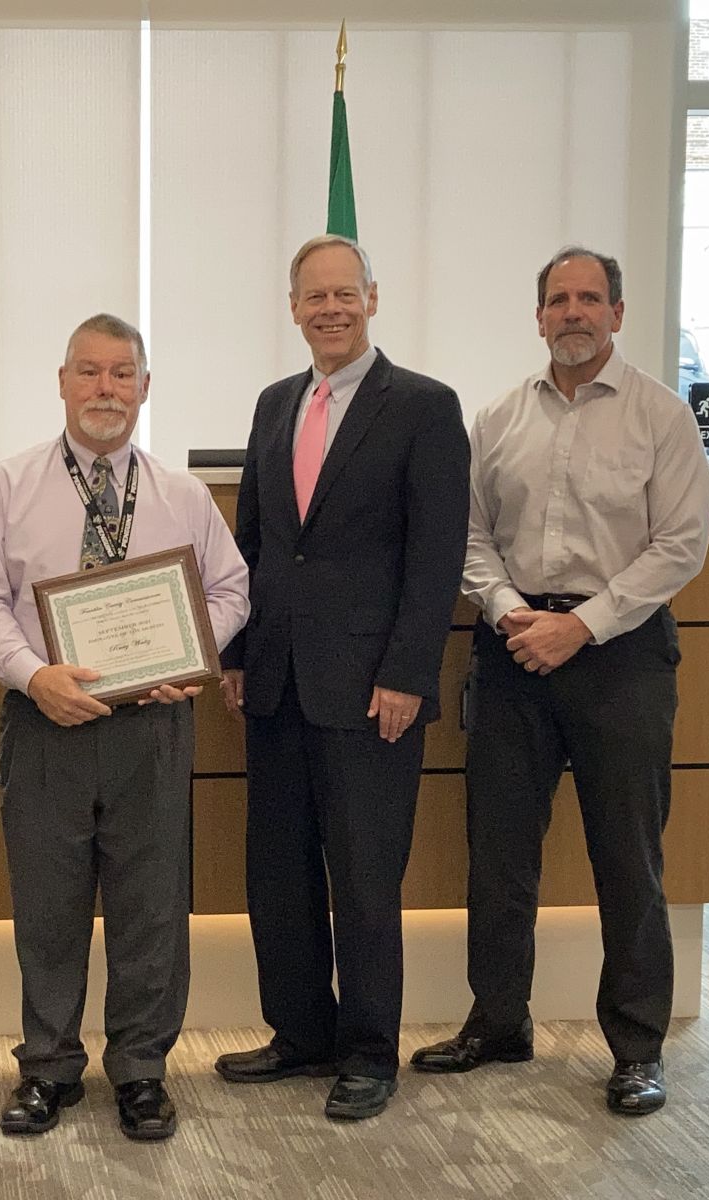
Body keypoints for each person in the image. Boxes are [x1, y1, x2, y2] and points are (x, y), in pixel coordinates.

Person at [411, 246, 709, 1117]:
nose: (573, 312)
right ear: (537, 316)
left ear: (618, 312)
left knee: (629, 858)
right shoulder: (500, 418)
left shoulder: (661, 416)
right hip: (514, 651)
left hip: (620, 653)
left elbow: (679, 545)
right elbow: (468, 537)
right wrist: (512, 615)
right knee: (499, 853)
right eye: (558, 300)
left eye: (590, 298)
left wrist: (582, 625)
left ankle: (636, 1047)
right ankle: (499, 1020)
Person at [0, 313, 249, 1142]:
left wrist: (192, 658)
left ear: (146, 388)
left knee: (151, 904)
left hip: (151, 729)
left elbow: (233, 590)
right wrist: (33, 675)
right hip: (44, 722)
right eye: (89, 372)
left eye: (123, 374)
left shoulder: (182, 495)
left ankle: (142, 1071)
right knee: (47, 904)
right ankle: (48, 1068)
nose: (105, 390)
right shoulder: (6, 485)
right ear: (61, 381)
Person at [214, 235, 470, 1121]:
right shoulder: (275, 403)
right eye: (313, 295)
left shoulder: (425, 407)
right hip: (277, 682)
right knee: (277, 873)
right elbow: (252, 542)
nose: (330, 308)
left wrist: (407, 674)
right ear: (292, 307)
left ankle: (368, 1052)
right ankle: (299, 1035)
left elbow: (436, 559)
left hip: (371, 692)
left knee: (364, 878)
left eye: (344, 293)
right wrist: (238, 653)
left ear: (372, 297)